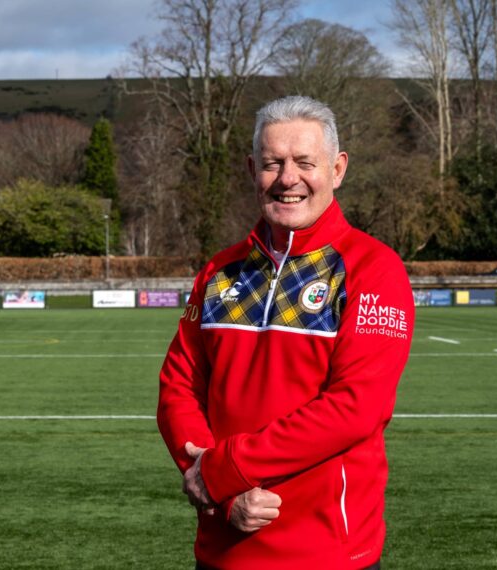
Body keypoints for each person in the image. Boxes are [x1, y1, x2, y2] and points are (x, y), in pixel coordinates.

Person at [157, 96, 414, 569]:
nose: (288, 179)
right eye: (273, 164)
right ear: (253, 168)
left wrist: (227, 468)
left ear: (337, 169)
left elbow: (356, 407)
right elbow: (178, 385)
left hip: (328, 554)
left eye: (304, 163)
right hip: (222, 544)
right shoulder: (220, 269)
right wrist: (215, 488)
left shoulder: (372, 268)